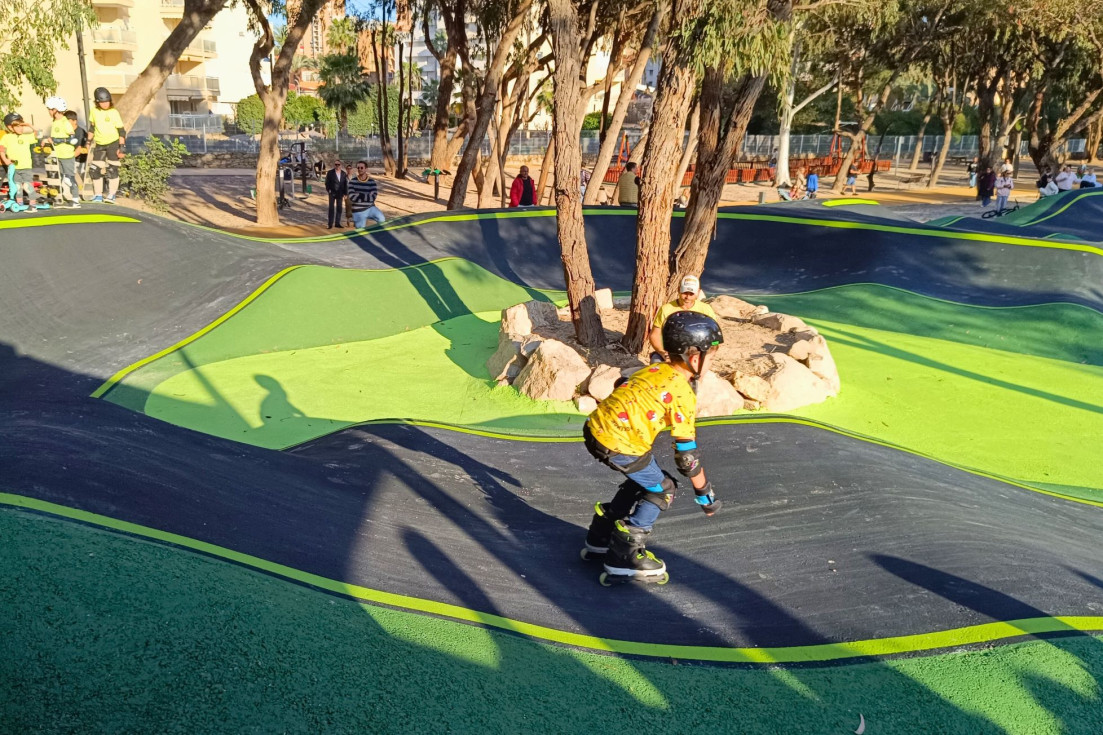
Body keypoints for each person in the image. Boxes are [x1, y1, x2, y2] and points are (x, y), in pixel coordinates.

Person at [582, 311, 724, 582]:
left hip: (595, 429)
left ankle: (601, 534)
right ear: (695, 358)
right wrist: (705, 495)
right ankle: (625, 555)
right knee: (663, 490)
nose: (712, 363)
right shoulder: (682, 392)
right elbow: (687, 458)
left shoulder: (655, 368)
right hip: (621, 444)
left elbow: (622, 382)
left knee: (646, 480)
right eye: (713, 357)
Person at [649, 275, 719, 362]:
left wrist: (707, 352)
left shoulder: (706, 309)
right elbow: (654, 335)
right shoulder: (666, 309)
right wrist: (662, 352)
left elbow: (715, 337)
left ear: (698, 292)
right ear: (678, 290)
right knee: (655, 362)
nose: (687, 297)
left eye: (691, 294)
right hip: (671, 351)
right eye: (685, 293)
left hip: (696, 352)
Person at [87, 87, 126, 203]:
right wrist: (88, 142)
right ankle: (98, 195)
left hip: (113, 143)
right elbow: (92, 127)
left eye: (107, 101)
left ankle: (112, 195)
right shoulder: (94, 111)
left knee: (112, 169)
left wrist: (122, 147)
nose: (105, 104)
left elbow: (121, 131)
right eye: (102, 102)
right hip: (99, 144)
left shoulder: (114, 112)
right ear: (97, 102)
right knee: (94, 169)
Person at [0, 112, 46, 210]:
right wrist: (5, 160)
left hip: (26, 167)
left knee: (27, 186)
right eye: (18, 126)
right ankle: (19, 204)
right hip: (14, 168)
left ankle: (32, 205)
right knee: (17, 187)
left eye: (22, 126)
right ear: (10, 127)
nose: (21, 128)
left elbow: (39, 134)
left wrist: (30, 125)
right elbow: (2, 150)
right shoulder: (7, 137)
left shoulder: (26, 137)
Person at [41, 97, 80, 207]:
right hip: (57, 155)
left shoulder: (65, 122)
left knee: (69, 178)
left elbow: (73, 139)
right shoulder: (55, 122)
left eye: (49, 109)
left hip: (67, 155)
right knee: (60, 178)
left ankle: (76, 200)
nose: (49, 111)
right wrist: (46, 140)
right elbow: (53, 138)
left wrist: (58, 140)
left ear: (55, 110)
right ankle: (61, 199)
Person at [347, 160, 385, 228]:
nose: (359, 169)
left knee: (382, 219)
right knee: (361, 232)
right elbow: (352, 197)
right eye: (358, 168)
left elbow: (373, 197)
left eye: (361, 168)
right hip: (358, 210)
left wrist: (360, 195)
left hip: (370, 208)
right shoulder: (352, 182)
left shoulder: (371, 182)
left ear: (366, 169)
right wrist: (367, 196)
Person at [65, 111, 89, 201]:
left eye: (68, 121)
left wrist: (69, 158)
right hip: (72, 157)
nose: (65, 123)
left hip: (81, 159)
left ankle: (88, 194)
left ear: (75, 121)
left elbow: (79, 149)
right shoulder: (67, 131)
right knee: (68, 176)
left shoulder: (79, 132)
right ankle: (70, 194)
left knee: (84, 176)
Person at [324, 159, 348, 229]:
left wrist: (345, 193)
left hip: (340, 193)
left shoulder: (343, 173)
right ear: (334, 165)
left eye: (338, 164)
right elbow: (327, 182)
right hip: (332, 193)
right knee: (331, 208)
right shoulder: (330, 173)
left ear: (341, 165)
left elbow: (345, 184)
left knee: (339, 208)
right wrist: (329, 190)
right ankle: (330, 223)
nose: (337, 166)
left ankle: (337, 223)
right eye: (336, 164)